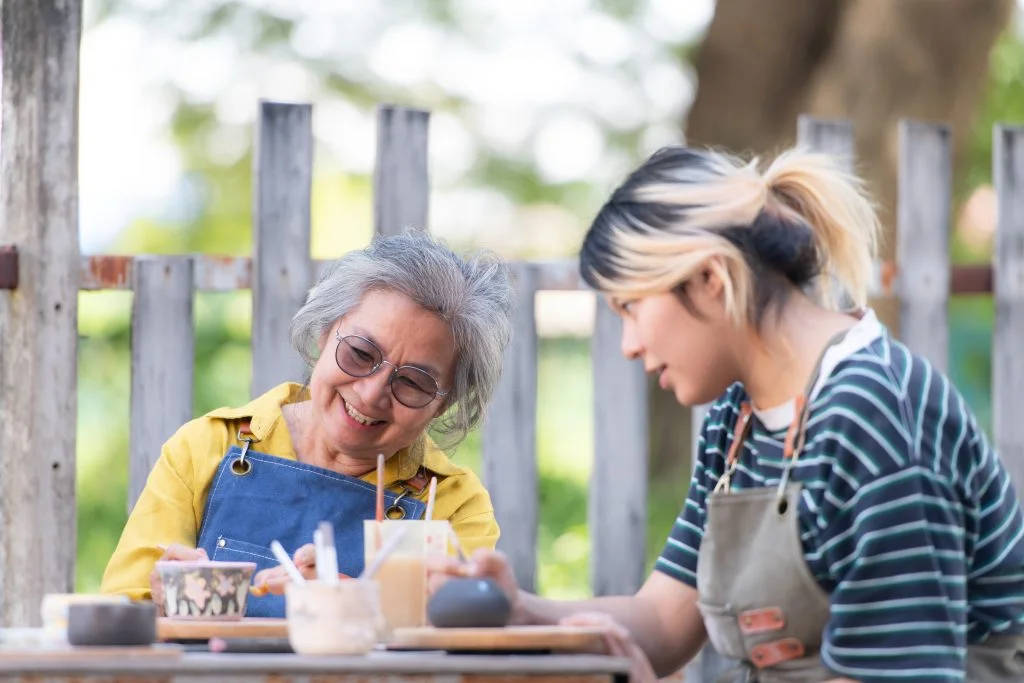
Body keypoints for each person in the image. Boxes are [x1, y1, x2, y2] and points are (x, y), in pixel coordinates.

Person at [430, 146, 1024, 682]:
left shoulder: (874, 418)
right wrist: (519, 610)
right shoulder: (737, 421)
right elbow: (662, 623)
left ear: (712, 279)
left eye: (631, 308)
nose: (628, 345)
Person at [101, 231, 515, 618]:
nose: (371, 394)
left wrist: (350, 599)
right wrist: (161, 601)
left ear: (444, 405)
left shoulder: (451, 503)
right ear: (323, 333)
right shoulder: (206, 447)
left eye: (413, 382)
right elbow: (121, 617)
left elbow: (463, 640)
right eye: (359, 353)